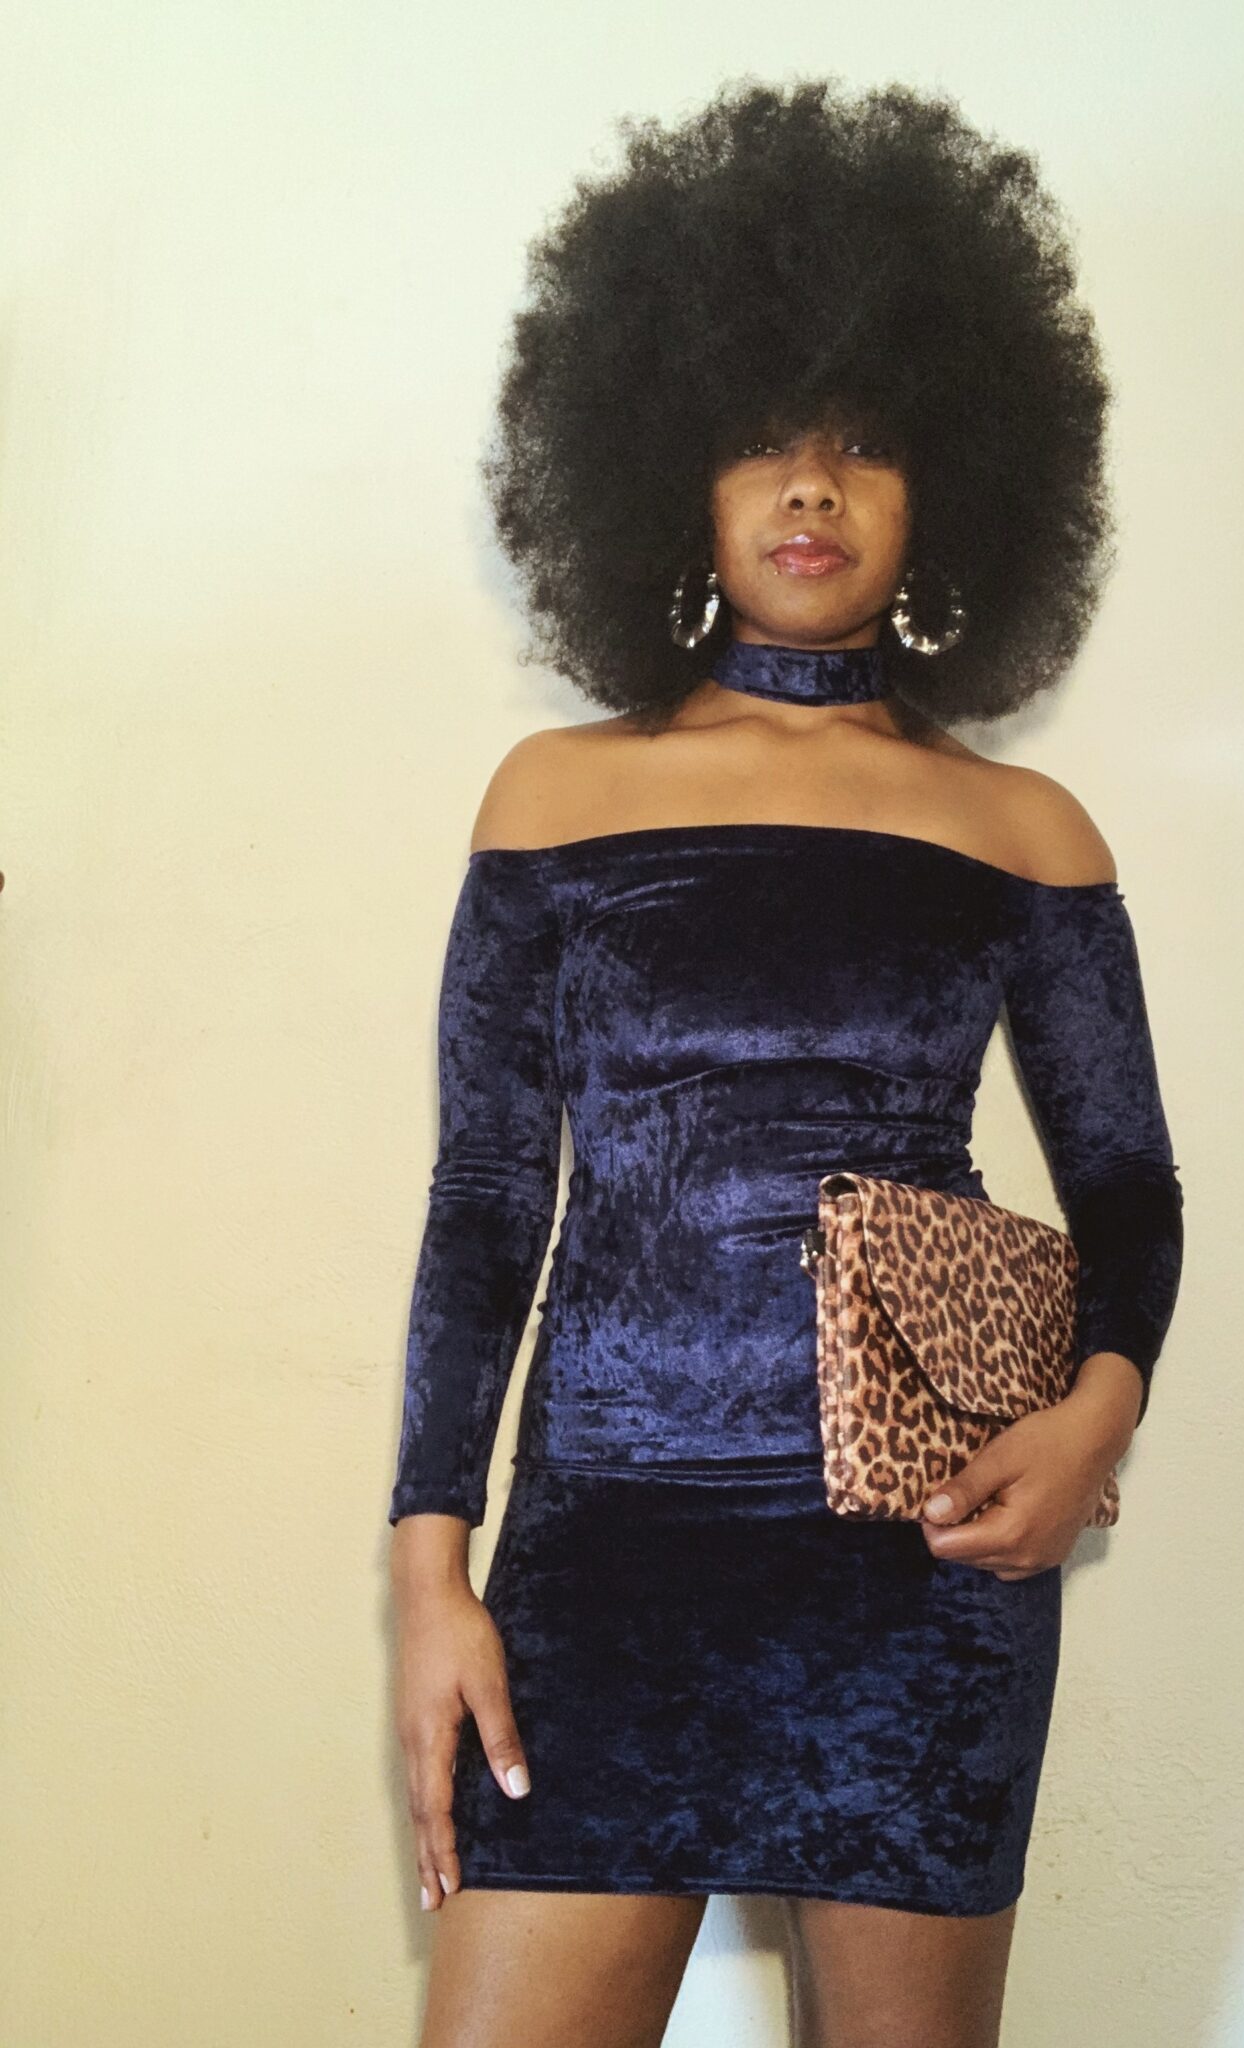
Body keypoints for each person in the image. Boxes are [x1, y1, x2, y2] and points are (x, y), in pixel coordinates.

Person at [386, 76, 1184, 2048]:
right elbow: (485, 1200)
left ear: (951, 494)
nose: (812, 489)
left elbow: (1129, 1190)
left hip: (921, 1567)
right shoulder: (556, 796)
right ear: (673, 472)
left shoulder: (1024, 829)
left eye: (867, 445)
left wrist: (1096, 1415)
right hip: (604, 1554)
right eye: (766, 441)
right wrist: (431, 1572)